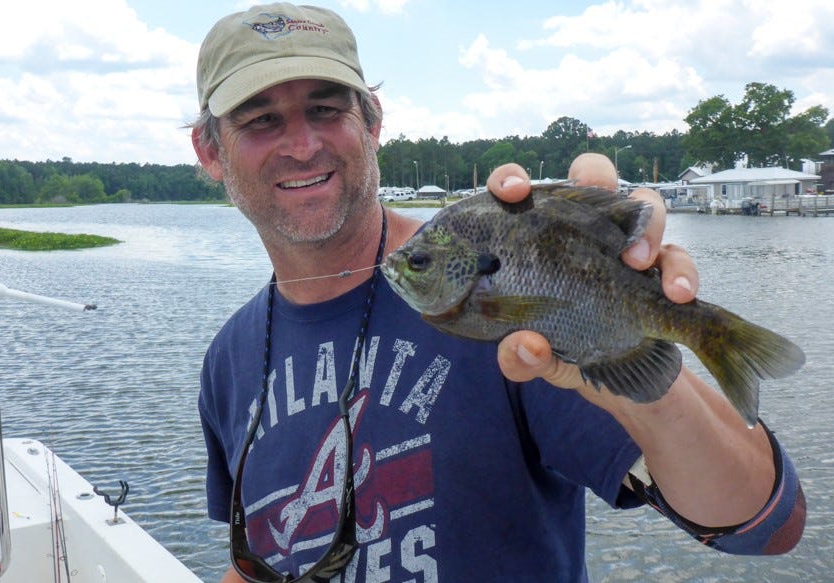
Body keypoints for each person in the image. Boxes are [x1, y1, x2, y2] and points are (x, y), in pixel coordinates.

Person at [191, 4, 806, 581]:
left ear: (373, 122)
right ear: (209, 152)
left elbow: (765, 525)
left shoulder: (500, 326)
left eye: (326, 109)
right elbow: (260, 560)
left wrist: (625, 330)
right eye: (260, 120)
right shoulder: (229, 359)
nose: (301, 144)